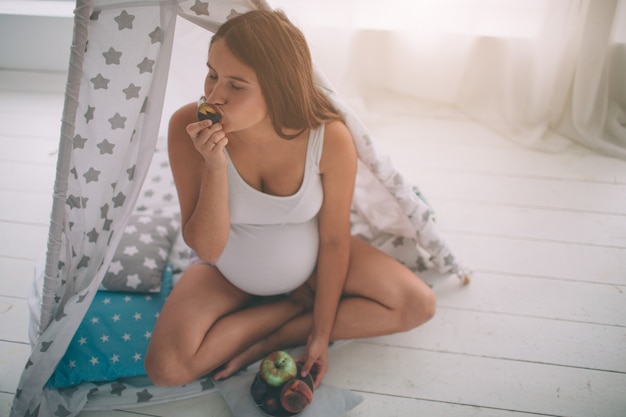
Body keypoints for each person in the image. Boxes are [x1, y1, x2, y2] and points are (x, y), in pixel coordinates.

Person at [144, 9, 435, 388]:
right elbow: (207, 248)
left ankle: (279, 332)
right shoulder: (190, 128)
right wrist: (215, 165)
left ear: (277, 87)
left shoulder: (327, 138)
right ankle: (288, 307)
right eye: (212, 74)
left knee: (418, 304)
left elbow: (333, 238)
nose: (214, 96)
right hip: (226, 274)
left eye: (236, 85)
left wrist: (320, 332)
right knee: (166, 368)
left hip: (311, 268)